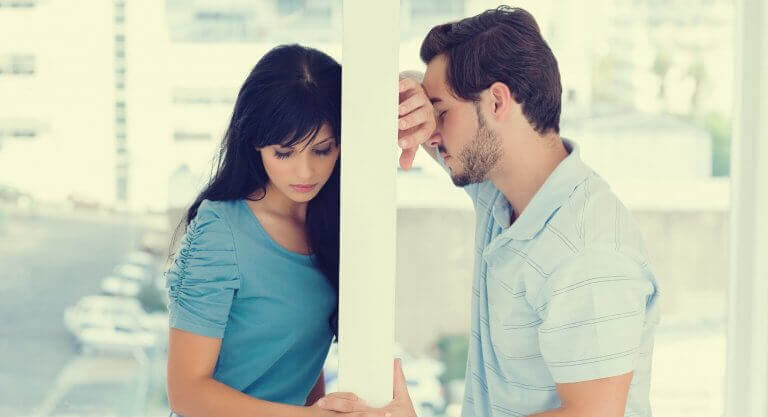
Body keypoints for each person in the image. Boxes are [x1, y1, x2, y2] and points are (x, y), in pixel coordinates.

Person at [318, 6, 661, 417]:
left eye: (442, 112)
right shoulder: (499, 190)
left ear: (497, 101)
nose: (432, 133)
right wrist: (421, 102)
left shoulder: (588, 250)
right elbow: (410, 88)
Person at [165, 44, 354, 417]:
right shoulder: (221, 231)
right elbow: (186, 392)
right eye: (284, 153)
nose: (305, 172)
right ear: (255, 143)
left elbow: (300, 362)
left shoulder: (334, 228)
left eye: (322, 150)